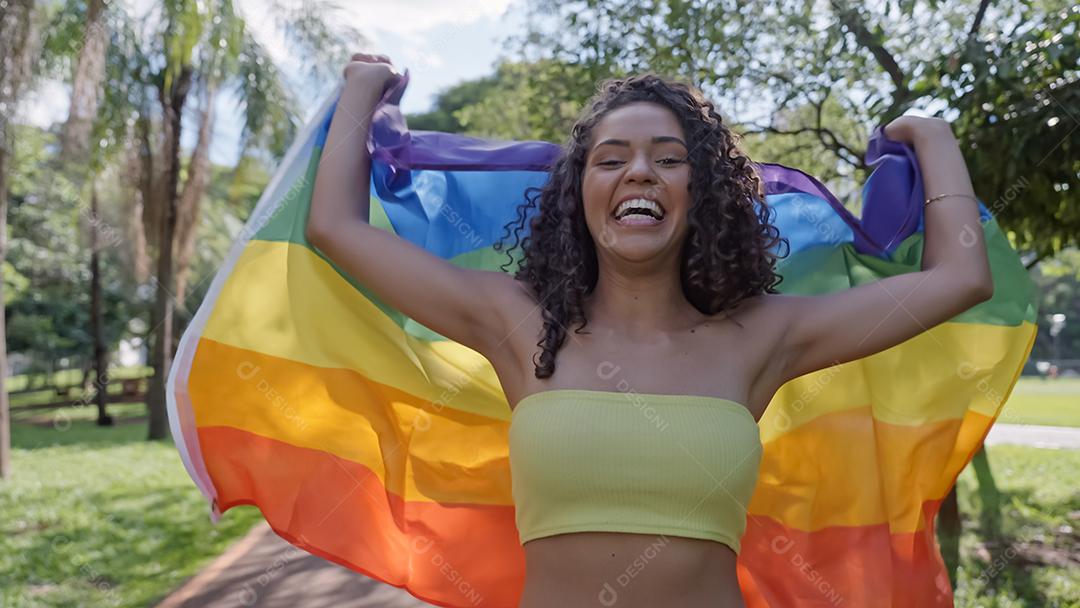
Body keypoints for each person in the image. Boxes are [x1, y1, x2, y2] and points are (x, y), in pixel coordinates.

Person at [305, 53, 995, 608]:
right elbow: (334, 227)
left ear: (703, 195)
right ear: (580, 194)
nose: (640, 171)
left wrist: (931, 136)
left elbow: (961, 275)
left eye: (669, 158)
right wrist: (364, 88)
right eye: (611, 159)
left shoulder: (763, 337)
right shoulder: (516, 323)